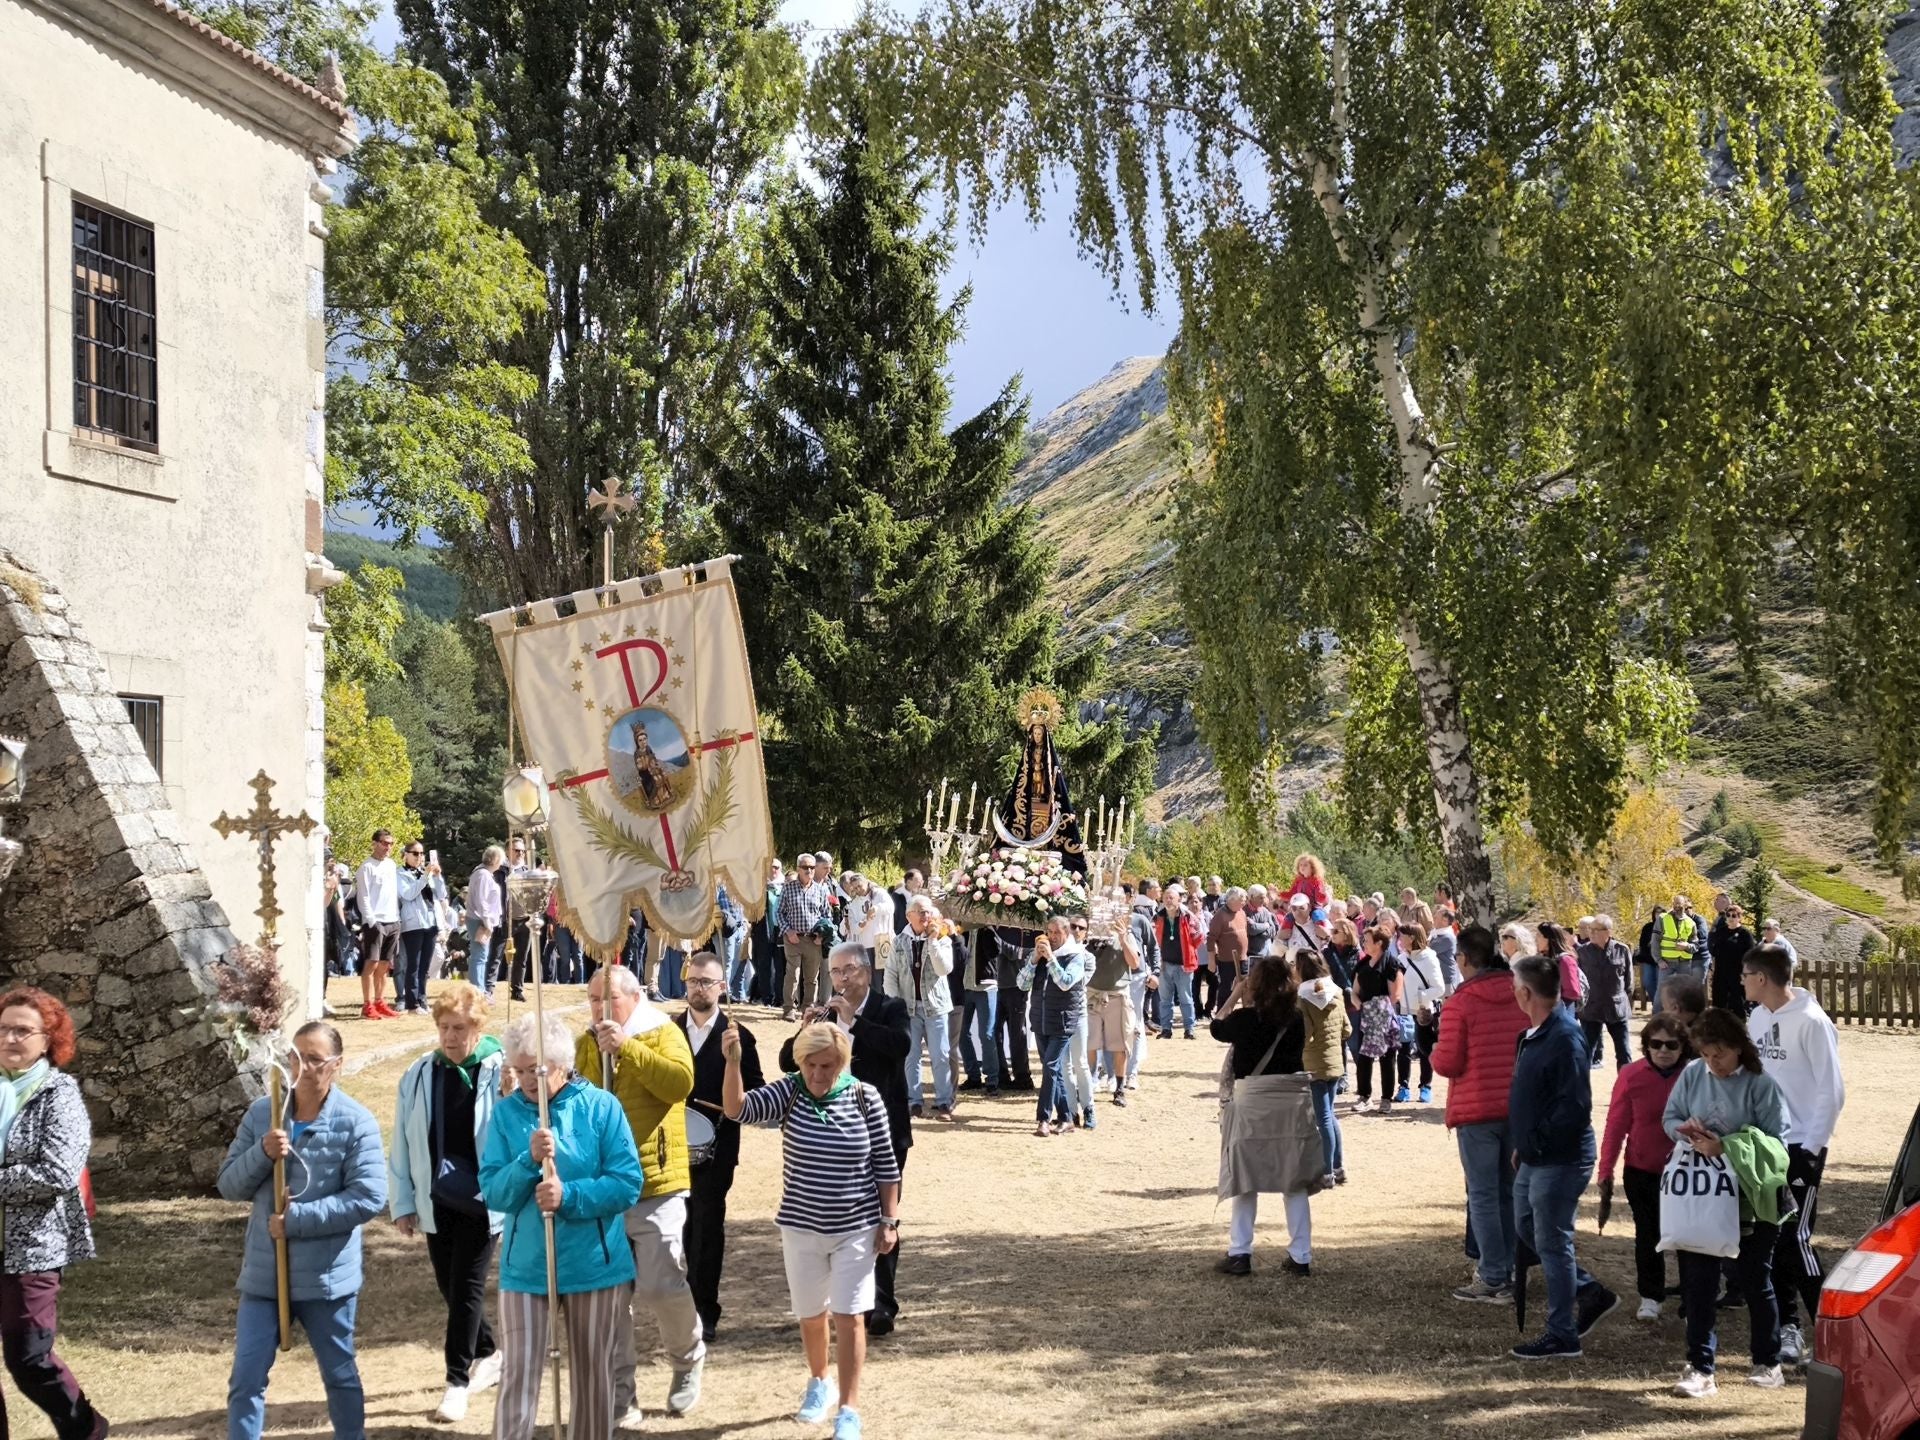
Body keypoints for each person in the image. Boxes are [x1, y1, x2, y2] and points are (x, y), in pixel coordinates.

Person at [725, 1021, 899, 1440]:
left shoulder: (864, 1096)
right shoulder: (789, 1091)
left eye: (828, 1066)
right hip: (800, 1226)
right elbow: (737, 1110)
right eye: (811, 1066)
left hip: (855, 1228)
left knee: (850, 1316)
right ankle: (819, 1381)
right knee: (810, 1315)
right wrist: (733, 1064)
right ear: (800, 1062)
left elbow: (886, 1166)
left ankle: (849, 1410)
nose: (819, 1075)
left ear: (843, 1063)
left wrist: (889, 1221)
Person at [481, 1011, 644, 1440]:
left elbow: (627, 1183)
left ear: (562, 1064)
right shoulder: (506, 1115)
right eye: (519, 1071)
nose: (527, 1081)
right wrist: (526, 1162)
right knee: (518, 1373)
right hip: (527, 1268)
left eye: (537, 1070)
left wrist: (568, 1196)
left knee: (593, 1377)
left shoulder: (601, 1108)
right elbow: (495, 1192)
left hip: (594, 1266)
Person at [220, 1021, 386, 1440]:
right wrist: (263, 1152)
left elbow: (368, 1198)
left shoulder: (355, 1122)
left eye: (314, 1059)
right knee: (246, 1379)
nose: (302, 1067)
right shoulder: (264, 1113)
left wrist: (297, 1221)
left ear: (337, 1065)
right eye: (296, 1056)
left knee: (340, 1376)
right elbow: (228, 1185)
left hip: (326, 1278)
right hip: (264, 1276)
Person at [575, 965, 704, 1425]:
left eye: (607, 998)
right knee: (611, 1295)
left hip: (657, 1181)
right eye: (592, 999)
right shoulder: (587, 1042)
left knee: (660, 1282)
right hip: (604, 1188)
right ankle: (620, 1394)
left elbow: (679, 1084)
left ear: (633, 997)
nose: (598, 1008)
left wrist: (626, 1049)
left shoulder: (661, 1032)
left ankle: (688, 1359)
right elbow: (580, 1096)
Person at [780, 942, 912, 1336]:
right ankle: (839, 1304)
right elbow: (789, 1063)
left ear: (867, 973)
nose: (841, 979)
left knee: (882, 1218)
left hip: (882, 1131)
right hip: (833, 1138)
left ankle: (882, 1304)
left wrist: (855, 1022)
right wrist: (806, 1031)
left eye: (849, 970)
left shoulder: (890, 1008)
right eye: (835, 972)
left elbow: (900, 1047)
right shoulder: (825, 1017)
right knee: (842, 1220)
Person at [388, 982, 505, 1421]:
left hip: (484, 1198)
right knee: (449, 1287)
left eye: (459, 1027)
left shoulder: (500, 1069)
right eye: (444, 1027)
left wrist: (514, 1093)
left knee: (466, 1289)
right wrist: (402, 1201)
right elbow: (401, 1138)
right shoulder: (420, 1072)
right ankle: (490, 1352)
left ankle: (456, 1382)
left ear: (477, 1029)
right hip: (437, 1196)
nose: (451, 1037)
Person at [1662, 1008, 1791, 1397]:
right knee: (1699, 1284)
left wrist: (1728, 1146)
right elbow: (1670, 1117)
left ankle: (1768, 1362)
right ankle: (1700, 1367)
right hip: (1703, 1195)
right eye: (1705, 1053)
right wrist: (1686, 1133)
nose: (1712, 1062)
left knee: (1755, 1281)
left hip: (1752, 1200)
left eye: (1719, 1053)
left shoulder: (1761, 1085)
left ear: (1738, 1047)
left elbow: (1778, 1146)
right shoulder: (1692, 1075)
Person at [0, 988, 106, 1440]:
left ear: (48, 1040)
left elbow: (57, 1171)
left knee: (30, 1360)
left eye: (22, 1030)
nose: (10, 1038)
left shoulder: (58, 1095)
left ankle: (85, 1428)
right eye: (3, 1029)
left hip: (33, 1248)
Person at [1507, 955, 1617, 1360]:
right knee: (1525, 1225)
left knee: (1552, 1241)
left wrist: (1535, 1142)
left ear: (1525, 992)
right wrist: (1524, 1143)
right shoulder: (1535, 1033)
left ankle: (1562, 1334)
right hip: (1535, 1154)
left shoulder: (1566, 1037)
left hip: (1561, 1158)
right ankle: (1588, 1290)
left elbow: (1573, 1107)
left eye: (1514, 988)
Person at [1744, 943, 1844, 1367]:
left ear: (1762, 978)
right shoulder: (1757, 1016)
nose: (1742, 981)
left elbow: (1832, 1091)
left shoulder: (1811, 1021)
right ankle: (1790, 1329)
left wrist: (1810, 1149)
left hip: (1801, 1146)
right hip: (1765, 1145)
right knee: (1771, 1237)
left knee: (1795, 1239)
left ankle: (1835, 1335)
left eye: (1746, 974)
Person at [1433, 924, 1531, 1304]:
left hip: (1476, 1108)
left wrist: (1433, 1054)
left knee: (1484, 1195)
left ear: (1462, 959)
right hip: (1515, 1104)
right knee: (1508, 1191)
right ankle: (1506, 1267)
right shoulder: (1518, 992)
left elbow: (1448, 1061)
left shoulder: (1461, 1001)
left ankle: (1493, 1273)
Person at [1212, 956, 1318, 1276]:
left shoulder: (1244, 1019)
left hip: (1253, 1104)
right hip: (1292, 1105)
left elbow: (1218, 1026)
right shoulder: (1297, 1018)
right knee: (1294, 1182)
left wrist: (1234, 995)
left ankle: (1240, 1252)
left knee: (1245, 1180)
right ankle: (1301, 1255)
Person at [678, 951, 762, 1342]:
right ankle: (680, 1308)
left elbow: (758, 1095)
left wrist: (736, 1068)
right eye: (693, 980)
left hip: (718, 1149)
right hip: (673, 1148)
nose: (699, 988)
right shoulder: (668, 1032)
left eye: (707, 982)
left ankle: (704, 1311)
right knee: (679, 1228)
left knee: (707, 1229)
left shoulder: (738, 1034)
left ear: (722, 987)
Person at [1597, 1012, 1687, 1323]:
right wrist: (1605, 1170)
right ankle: (1651, 1295)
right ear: (1646, 1046)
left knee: (1687, 1236)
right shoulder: (1632, 1075)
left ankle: (1692, 1296)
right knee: (1648, 1235)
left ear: (1683, 1047)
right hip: (1641, 1170)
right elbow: (1616, 1125)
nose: (1663, 1050)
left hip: (1686, 1173)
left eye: (1671, 1045)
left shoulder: (1693, 1075)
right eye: (1656, 1044)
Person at [1020, 915, 1092, 1136]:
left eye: (1056, 933)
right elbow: (1021, 984)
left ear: (1066, 933)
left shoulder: (1076, 956)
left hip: (1063, 1021)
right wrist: (1034, 960)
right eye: (1049, 932)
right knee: (1056, 1071)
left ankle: (1043, 1118)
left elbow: (1065, 983)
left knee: (1050, 1066)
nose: (1051, 937)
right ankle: (1066, 1118)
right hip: (1041, 1020)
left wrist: (1050, 958)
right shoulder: (1039, 955)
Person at [887, 897, 956, 1123]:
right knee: (911, 1055)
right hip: (908, 1007)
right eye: (921, 912)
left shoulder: (942, 939)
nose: (926, 917)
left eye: (928, 912)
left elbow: (944, 968)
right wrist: (894, 1005)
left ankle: (944, 1101)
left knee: (940, 1055)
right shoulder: (898, 941)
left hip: (935, 1006)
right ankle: (914, 1101)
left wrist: (934, 941)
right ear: (909, 916)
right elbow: (891, 975)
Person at [1293, 948, 1350, 1184]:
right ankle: (1337, 1166)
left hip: (1313, 1063)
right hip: (1335, 1061)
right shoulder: (1336, 992)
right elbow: (1346, 1029)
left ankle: (1326, 1171)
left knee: (1323, 1118)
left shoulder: (1303, 998)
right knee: (1330, 1116)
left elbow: (1304, 1034)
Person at [1084, 915, 1140, 1110]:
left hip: (1117, 996)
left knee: (1119, 1045)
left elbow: (1134, 964)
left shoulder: (1125, 934)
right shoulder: (1087, 934)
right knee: (1090, 1042)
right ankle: (1088, 1083)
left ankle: (1119, 1088)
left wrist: (1123, 938)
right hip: (1091, 995)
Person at [1352, 926, 1404, 1114]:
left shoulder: (1391, 964)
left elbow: (1395, 994)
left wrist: (1379, 1011)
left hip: (1385, 1018)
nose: (1364, 943)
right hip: (1366, 1017)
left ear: (1379, 943)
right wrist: (1360, 1005)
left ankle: (1386, 1098)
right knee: (1364, 1057)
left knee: (1387, 1057)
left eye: (1367, 940)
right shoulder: (1363, 963)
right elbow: (1354, 991)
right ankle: (1364, 1096)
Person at [353, 829, 401, 1019]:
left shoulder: (391, 865)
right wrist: (371, 920)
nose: (387, 847)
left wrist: (396, 918)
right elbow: (363, 896)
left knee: (385, 965)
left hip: (392, 920)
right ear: (374, 843)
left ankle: (380, 1001)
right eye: (384, 843)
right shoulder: (366, 868)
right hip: (376, 921)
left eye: (390, 843)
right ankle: (367, 1004)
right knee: (371, 963)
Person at [779, 854, 834, 1020]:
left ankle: (807, 1008)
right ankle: (789, 1008)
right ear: (798, 869)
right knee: (792, 974)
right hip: (793, 939)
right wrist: (788, 931)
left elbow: (827, 916)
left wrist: (821, 936)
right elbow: (780, 913)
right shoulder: (788, 888)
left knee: (811, 978)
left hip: (814, 940)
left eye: (811, 867)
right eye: (805, 867)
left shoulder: (820, 890)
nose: (809, 870)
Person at [1397, 921, 1446, 1105]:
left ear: (1412, 937)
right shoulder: (1401, 959)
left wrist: (1418, 997)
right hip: (1403, 1010)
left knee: (1425, 1049)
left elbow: (1439, 987)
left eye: (1403, 935)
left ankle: (1425, 1086)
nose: (1400, 939)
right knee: (1403, 1049)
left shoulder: (1429, 958)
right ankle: (1403, 1087)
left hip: (1424, 1011)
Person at [1576, 914, 1634, 1070]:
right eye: (1590, 929)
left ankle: (1626, 1089)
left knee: (1624, 1053)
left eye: (1596, 930)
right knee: (1585, 1054)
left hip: (1616, 1008)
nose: (1592, 933)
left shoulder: (1622, 950)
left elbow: (1629, 983)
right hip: (1591, 1009)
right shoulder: (1582, 953)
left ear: (1608, 931)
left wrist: (1623, 1000)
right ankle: (1581, 1091)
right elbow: (1578, 982)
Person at [396, 841, 447, 1014]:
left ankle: (422, 999)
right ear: (406, 854)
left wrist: (438, 876)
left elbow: (441, 894)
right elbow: (408, 894)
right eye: (415, 853)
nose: (419, 857)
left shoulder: (427, 873)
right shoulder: (400, 874)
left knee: (425, 965)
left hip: (430, 922)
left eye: (421, 854)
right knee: (413, 965)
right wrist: (425, 876)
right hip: (413, 924)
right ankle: (412, 1003)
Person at [956, 926, 1003, 1098]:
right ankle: (973, 1076)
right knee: (961, 1032)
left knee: (987, 1034)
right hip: (965, 987)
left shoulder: (990, 931)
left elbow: (995, 952)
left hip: (986, 986)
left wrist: (986, 930)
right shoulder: (963, 932)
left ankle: (992, 1080)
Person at [1157, 885, 1198, 1040]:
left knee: (1186, 998)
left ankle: (1189, 1029)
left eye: (1171, 897)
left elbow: (1199, 935)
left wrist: (1190, 951)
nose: (1168, 900)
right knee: (1165, 999)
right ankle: (1166, 1029)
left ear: (1179, 899)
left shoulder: (1187, 916)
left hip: (1184, 964)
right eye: (1166, 897)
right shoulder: (1158, 916)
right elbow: (1154, 940)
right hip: (1164, 964)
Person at [1206, 887, 1250, 1014]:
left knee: (1246, 988)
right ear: (1232, 900)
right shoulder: (1220, 915)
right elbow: (1211, 939)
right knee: (1227, 989)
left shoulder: (1241, 912)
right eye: (1241, 900)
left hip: (1243, 958)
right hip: (1227, 961)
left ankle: (1247, 1015)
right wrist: (1211, 960)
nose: (1244, 902)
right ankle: (1221, 1015)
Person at [1707, 903, 1757, 1012]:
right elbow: (1713, 948)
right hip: (1721, 973)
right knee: (1719, 1004)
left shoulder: (1745, 934)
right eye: (1728, 915)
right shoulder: (1720, 931)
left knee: (1737, 1004)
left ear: (1739, 917)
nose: (1730, 918)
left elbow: (1750, 954)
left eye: (1734, 916)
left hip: (1737, 973)